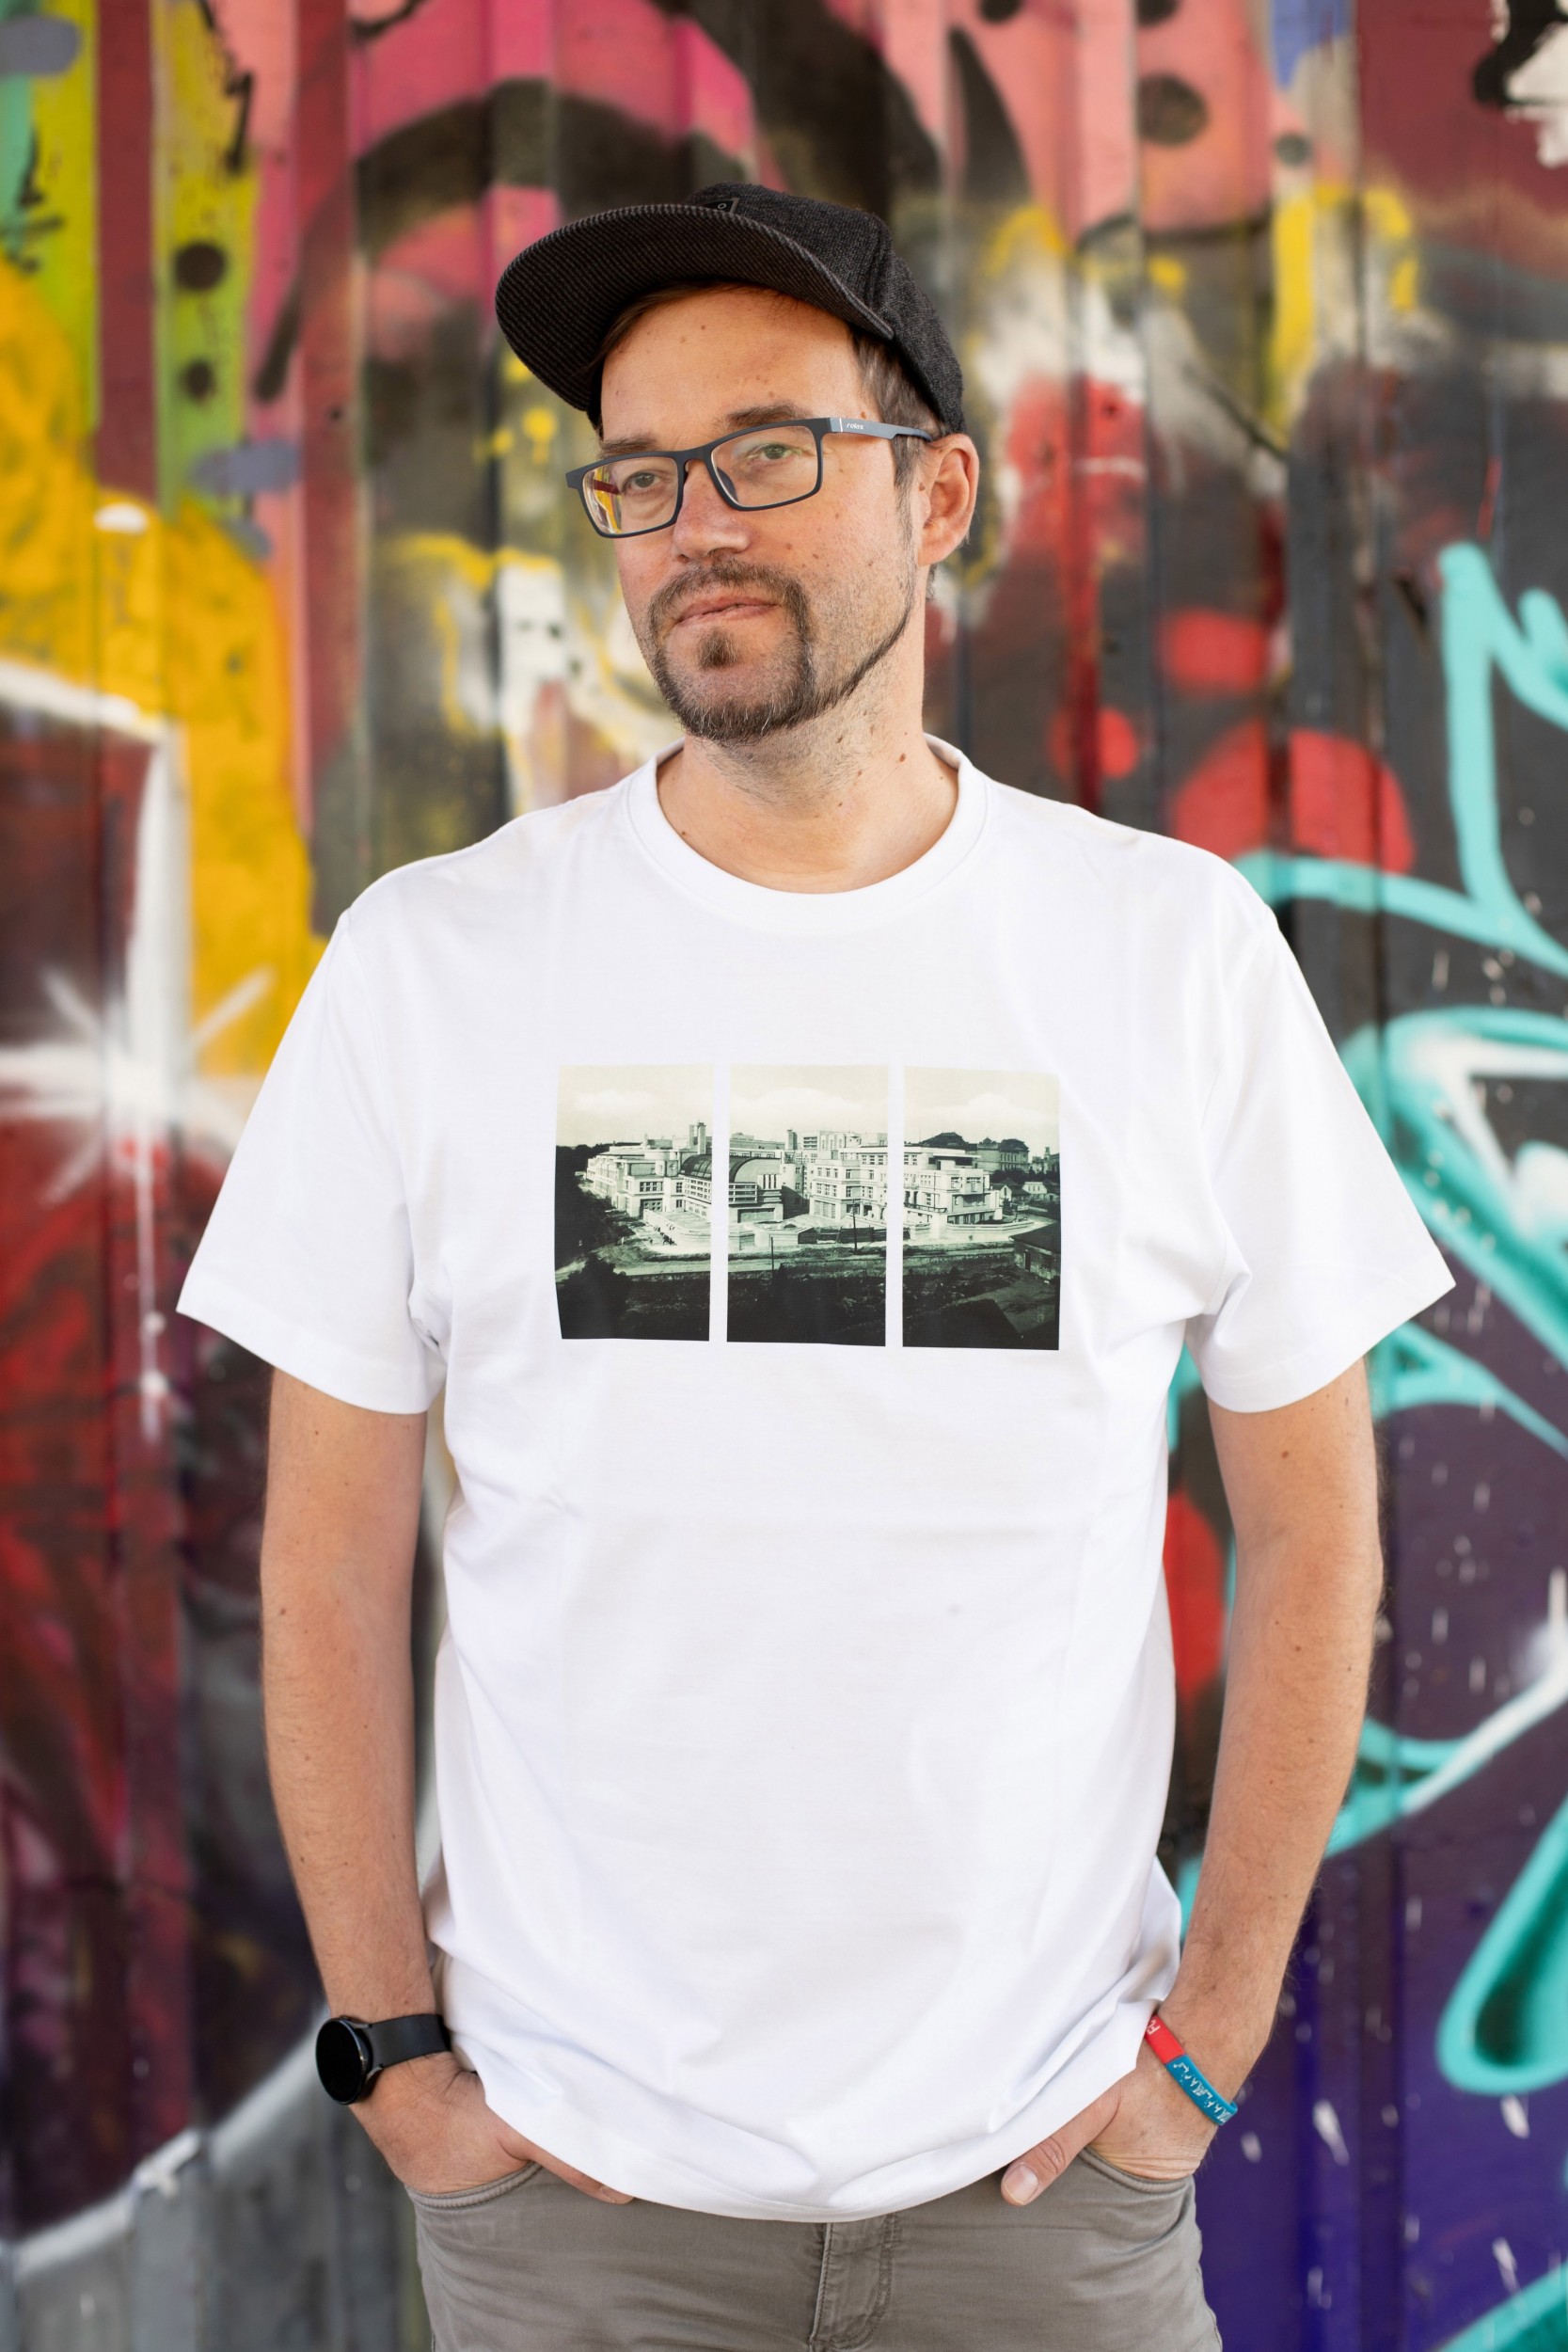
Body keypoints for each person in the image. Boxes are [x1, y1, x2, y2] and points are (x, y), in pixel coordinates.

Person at [179, 183, 1451, 2350]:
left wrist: (1207, 2048)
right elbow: (325, 1557)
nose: (695, 524)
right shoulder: (435, 969)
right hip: (581, 2213)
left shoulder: (1166, 957)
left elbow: (1319, 1530)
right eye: (641, 475)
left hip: (1043, 2196)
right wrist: (396, 2058)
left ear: (939, 493)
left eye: (768, 452)